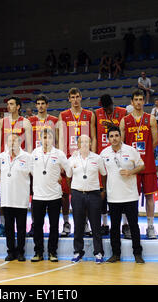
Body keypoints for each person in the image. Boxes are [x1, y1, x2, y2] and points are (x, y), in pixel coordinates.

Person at [100, 126, 145, 264]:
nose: (114, 138)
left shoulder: (131, 150)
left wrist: (131, 172)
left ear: (120, 137)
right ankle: (115, 254)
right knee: (114, 227)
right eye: (111, 136)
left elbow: (141, 165)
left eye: (116, 135)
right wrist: (103, 189)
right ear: (108, 139)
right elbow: (102, 173)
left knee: (133, 225)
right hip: (113, 197)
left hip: (130, 195)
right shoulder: (104, 153)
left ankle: (137, 254)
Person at [120, 89, 158, 239]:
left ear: (144, 101)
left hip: (147, 164)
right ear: (131, 102)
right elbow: (122, 144)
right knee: (129, 198)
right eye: (135, 99)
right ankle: (128, 225)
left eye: (140, 99)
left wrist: (144, 154)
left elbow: (155, 142)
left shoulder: (151, 119)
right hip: (131, 167)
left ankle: (150, 226)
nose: (138, 102)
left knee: (149, 197)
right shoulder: (125, 120)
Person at [58, 88, 97, 237]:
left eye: (77, 97)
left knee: (84, 193)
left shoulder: (89, 115)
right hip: (69, 159)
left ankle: (85, 223)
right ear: (69, 99)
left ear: (81, 98)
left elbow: (93, 137)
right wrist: (62, 161)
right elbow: (61, 138)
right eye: (72, 97)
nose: (75, 100)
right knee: (65, 194)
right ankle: (67, 222)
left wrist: (91, 156)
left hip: (85, 159)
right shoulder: (63, 115)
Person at [0, 97, 32, 236]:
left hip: (20, 162)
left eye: (11, 104)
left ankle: (24, 224)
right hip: (5, 162)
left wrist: (27, 164)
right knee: (2, 196)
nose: (9, 106)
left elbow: (29, 146)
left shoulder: (25, 122)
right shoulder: (1, 122)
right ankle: (3, 224)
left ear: (18, 106)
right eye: (8, 104)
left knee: (22, 196)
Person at [30, 129, 69, 263]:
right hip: (38, 196)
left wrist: (61, 177)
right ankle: (38, 252)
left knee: (54, 226)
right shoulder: (34, 153)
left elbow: (69, 170)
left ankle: (53, 252)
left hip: (54, 196)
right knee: (37, 226)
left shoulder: (59, 154)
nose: (47, 140)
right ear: (41, 139)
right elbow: (31, 171)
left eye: (49, 138)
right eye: (44, 137)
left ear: (53, 140)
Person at [66, 135, 106, 264]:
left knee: (95, 225)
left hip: (94, 194)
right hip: (77, 194)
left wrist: (102, 190)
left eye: (86, 141)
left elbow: (104, 174)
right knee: (78, 225)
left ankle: (98, 252)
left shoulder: (97, 158)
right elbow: (68, 177)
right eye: (81, 142)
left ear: (90, 143)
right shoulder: (71, 159)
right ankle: (78, 252)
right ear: (77, 144)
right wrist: (73, 190)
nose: (83, 144)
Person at [0, 134, 32, 262]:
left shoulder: (27, 157)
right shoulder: (1, 157)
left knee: (21, 228)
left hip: (21, 198)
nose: (12, 143)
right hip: (7, 198)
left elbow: (33, 173)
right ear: (6, 142)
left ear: (19, 142)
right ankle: (11, 251)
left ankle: (21, 252)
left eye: (15, 140)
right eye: (10, 140)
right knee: (9, 227)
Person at [27, 95, 59, 236]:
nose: (40, 106)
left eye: (42, 103)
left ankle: (58, 225)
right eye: (38, 103)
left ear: (47, 105)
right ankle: (35, 224)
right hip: (36, 161)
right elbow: (27, 142)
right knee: (35, 195)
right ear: (36, 106)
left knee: (53, 195)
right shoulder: (30, 121)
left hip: (50, 161)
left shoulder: (55, 120)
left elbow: (57, 141)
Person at [95, 94, 127, 235]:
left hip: (117, 154)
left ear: (113, 104)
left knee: (121, 190)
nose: (108, 111)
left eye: (109, 108)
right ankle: (104, 224)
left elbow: (123, 130)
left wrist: (113, 126)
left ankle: (125, 224)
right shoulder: (97, 113)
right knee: (102, 193)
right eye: (105, 109)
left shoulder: (122, 112)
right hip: (102, 155)